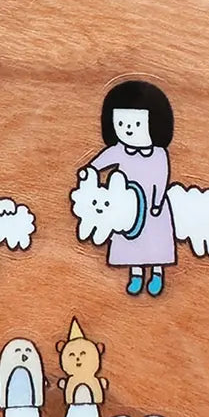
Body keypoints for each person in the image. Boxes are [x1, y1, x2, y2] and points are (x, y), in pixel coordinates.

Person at [84, 80, 176, 297]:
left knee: (155, 241)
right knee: (130, 242)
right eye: (121, 123)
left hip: (154, 209)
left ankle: (157, 272)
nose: (128, 129)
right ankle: (136, 274)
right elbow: (97, 164)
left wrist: (157, 202)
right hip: (126, 208)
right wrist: (88, 173)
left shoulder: (159, 155)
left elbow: (161, 178)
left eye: (136, 124)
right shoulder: (119, 150)